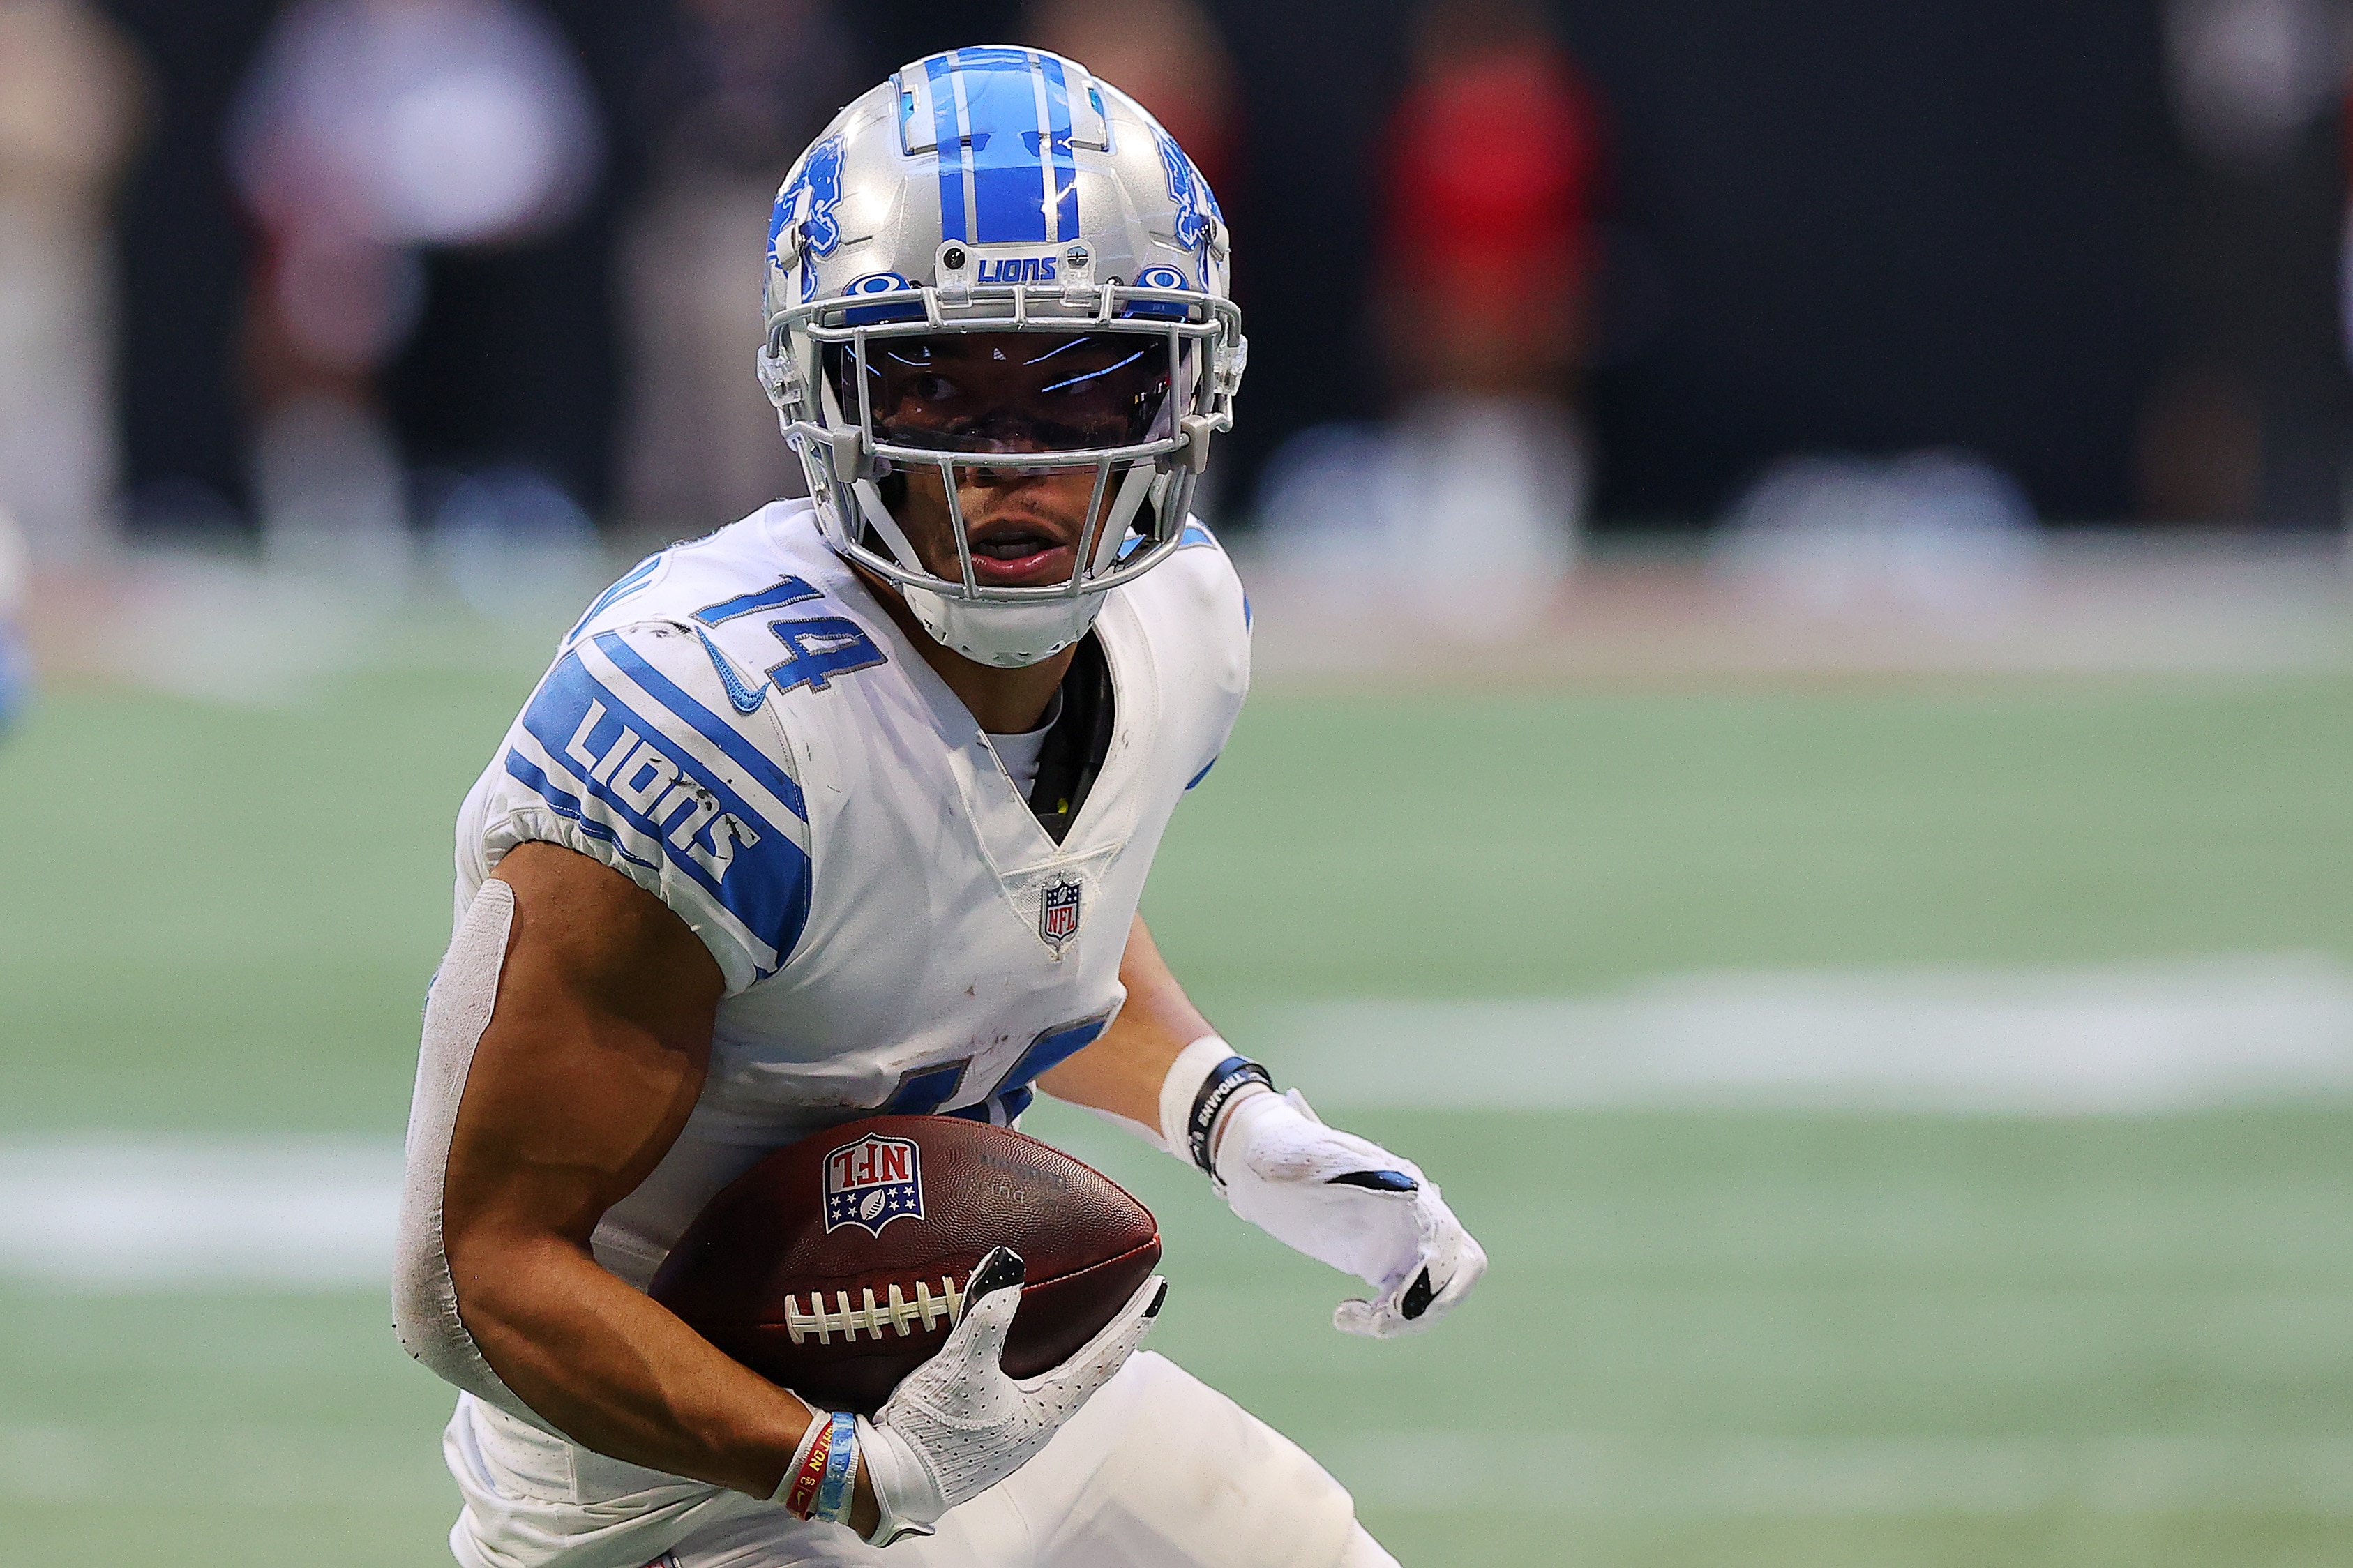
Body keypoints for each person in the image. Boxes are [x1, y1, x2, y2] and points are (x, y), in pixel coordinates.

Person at [395, 47, 1486, 1568]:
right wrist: (839, 1465)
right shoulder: (708, 713)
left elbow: (1014, 898)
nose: (1006, 457)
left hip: (954, 1386)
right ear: (819, 388)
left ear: (1187, 387)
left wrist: (1226, 1110)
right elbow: (475, 1270)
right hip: (664, 1485)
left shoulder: (1179, 618)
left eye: (1081, 383)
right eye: (934, 382)